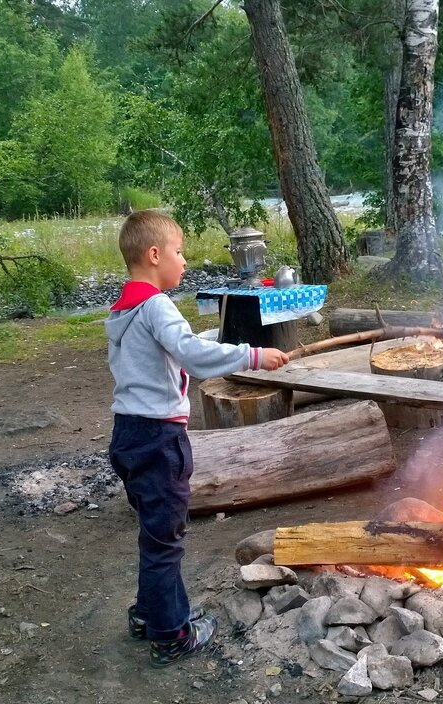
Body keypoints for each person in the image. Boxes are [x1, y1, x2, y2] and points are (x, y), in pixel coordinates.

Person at [105, 210, 289, 667]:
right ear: (154, 255)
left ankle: (151, 614)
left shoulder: (121, 310)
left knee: (155, 534)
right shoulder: (156, 306)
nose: (184, 261)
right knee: (166, 540)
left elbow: (168, 354)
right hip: (158, 438)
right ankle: (171, 635)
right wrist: (252, 354)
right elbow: (191, 354)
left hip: (127, 434)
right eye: (179, 251)